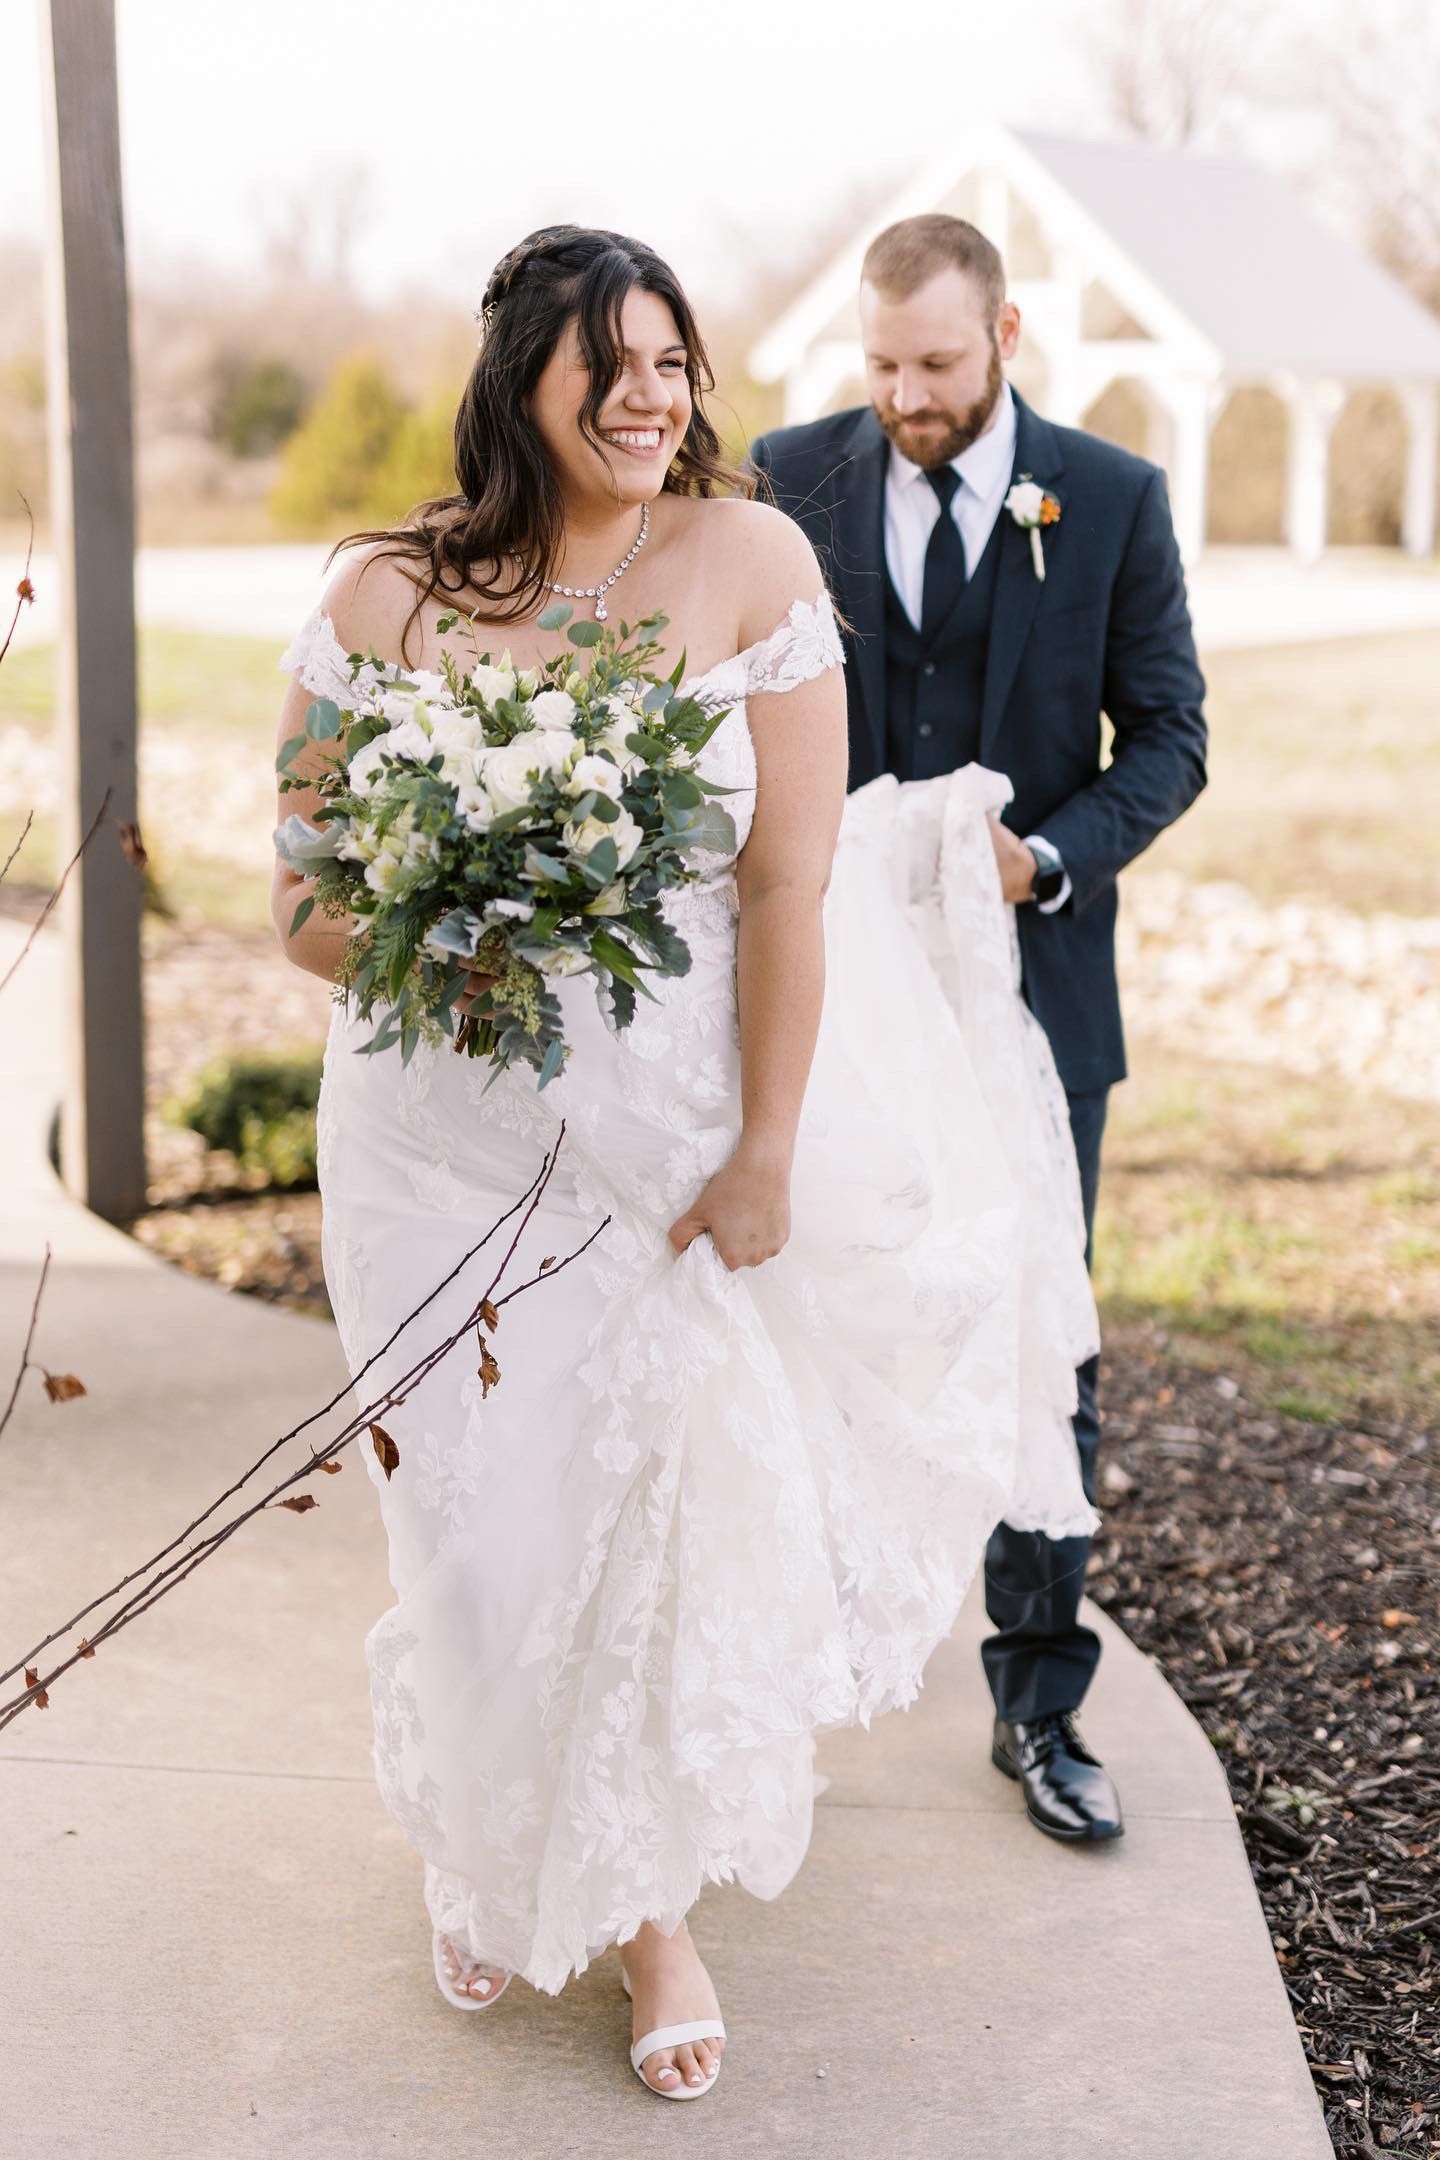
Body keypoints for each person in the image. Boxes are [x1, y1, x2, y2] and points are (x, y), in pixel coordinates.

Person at [271, 224, 1098, 2101]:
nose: (650, 397)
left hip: (662, 1139)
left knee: (634, 1509)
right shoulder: (383, 591)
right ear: (521, 382)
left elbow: (789, 880)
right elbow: (300, 898)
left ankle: (652, 1920)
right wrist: (445, 931)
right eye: (609, 364)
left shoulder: (752, 563)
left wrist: (771, 1147)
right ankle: (483, 1849)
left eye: (673, 363)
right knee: (474, 1526)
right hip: (429, 1138)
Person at [752, 213, 1208, 1846]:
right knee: (792, 1324)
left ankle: (1039, 1709)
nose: (905, 395)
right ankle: (769, 1679)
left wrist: (1047, 859)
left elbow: (1170, 736)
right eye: (880, 364)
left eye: (937, 363)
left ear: (1005, 332)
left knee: (1037, 1341)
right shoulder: (787, 471)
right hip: (828, 994)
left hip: (1032, 995)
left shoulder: (1113, 496)